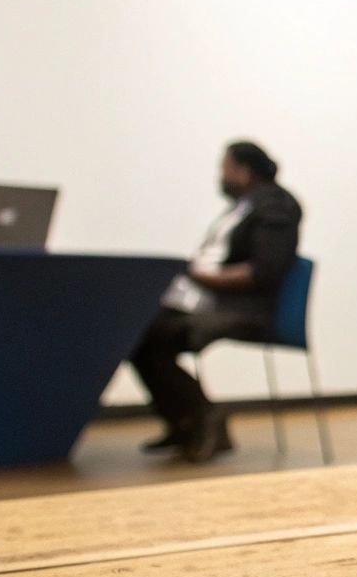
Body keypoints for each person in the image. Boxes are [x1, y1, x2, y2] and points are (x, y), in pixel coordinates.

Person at [129, 141, 302, 462]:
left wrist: (198, 276)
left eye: (225, 168)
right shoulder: (241, 206)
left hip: (243, 308)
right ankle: (184, 421)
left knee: (154, 335)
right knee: (134, 331)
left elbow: (262, 272)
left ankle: (205, 417)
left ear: (244, 171)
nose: (220, 176)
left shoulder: (275, 205)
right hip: (206, 300)